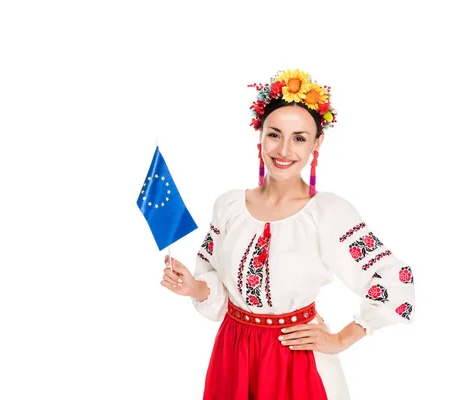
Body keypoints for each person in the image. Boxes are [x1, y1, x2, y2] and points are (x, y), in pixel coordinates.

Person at [160, 68, 416, 400]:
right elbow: (220, 292)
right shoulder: (229, 206)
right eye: (274, 134)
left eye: (299, 138)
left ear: (317, 143)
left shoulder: (328, 213)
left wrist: (342, 338)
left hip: (296, 357)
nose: (284, 150)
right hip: (232, 353)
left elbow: (397, 279)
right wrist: (192, 287)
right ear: (260, 135)